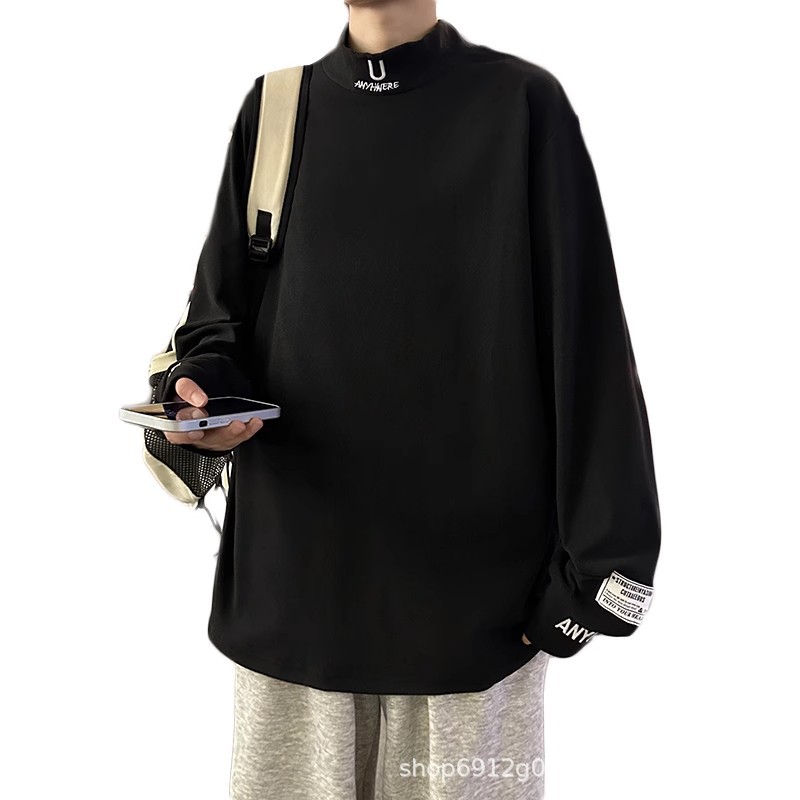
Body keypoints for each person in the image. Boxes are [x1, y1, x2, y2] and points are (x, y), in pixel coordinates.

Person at [150, 1, 661, 797]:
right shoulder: (277, 109)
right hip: (295, 600)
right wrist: (201, 400)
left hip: (473, 620)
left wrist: (598, 578)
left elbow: (587, 342)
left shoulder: (520, 106)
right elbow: (219, 326)